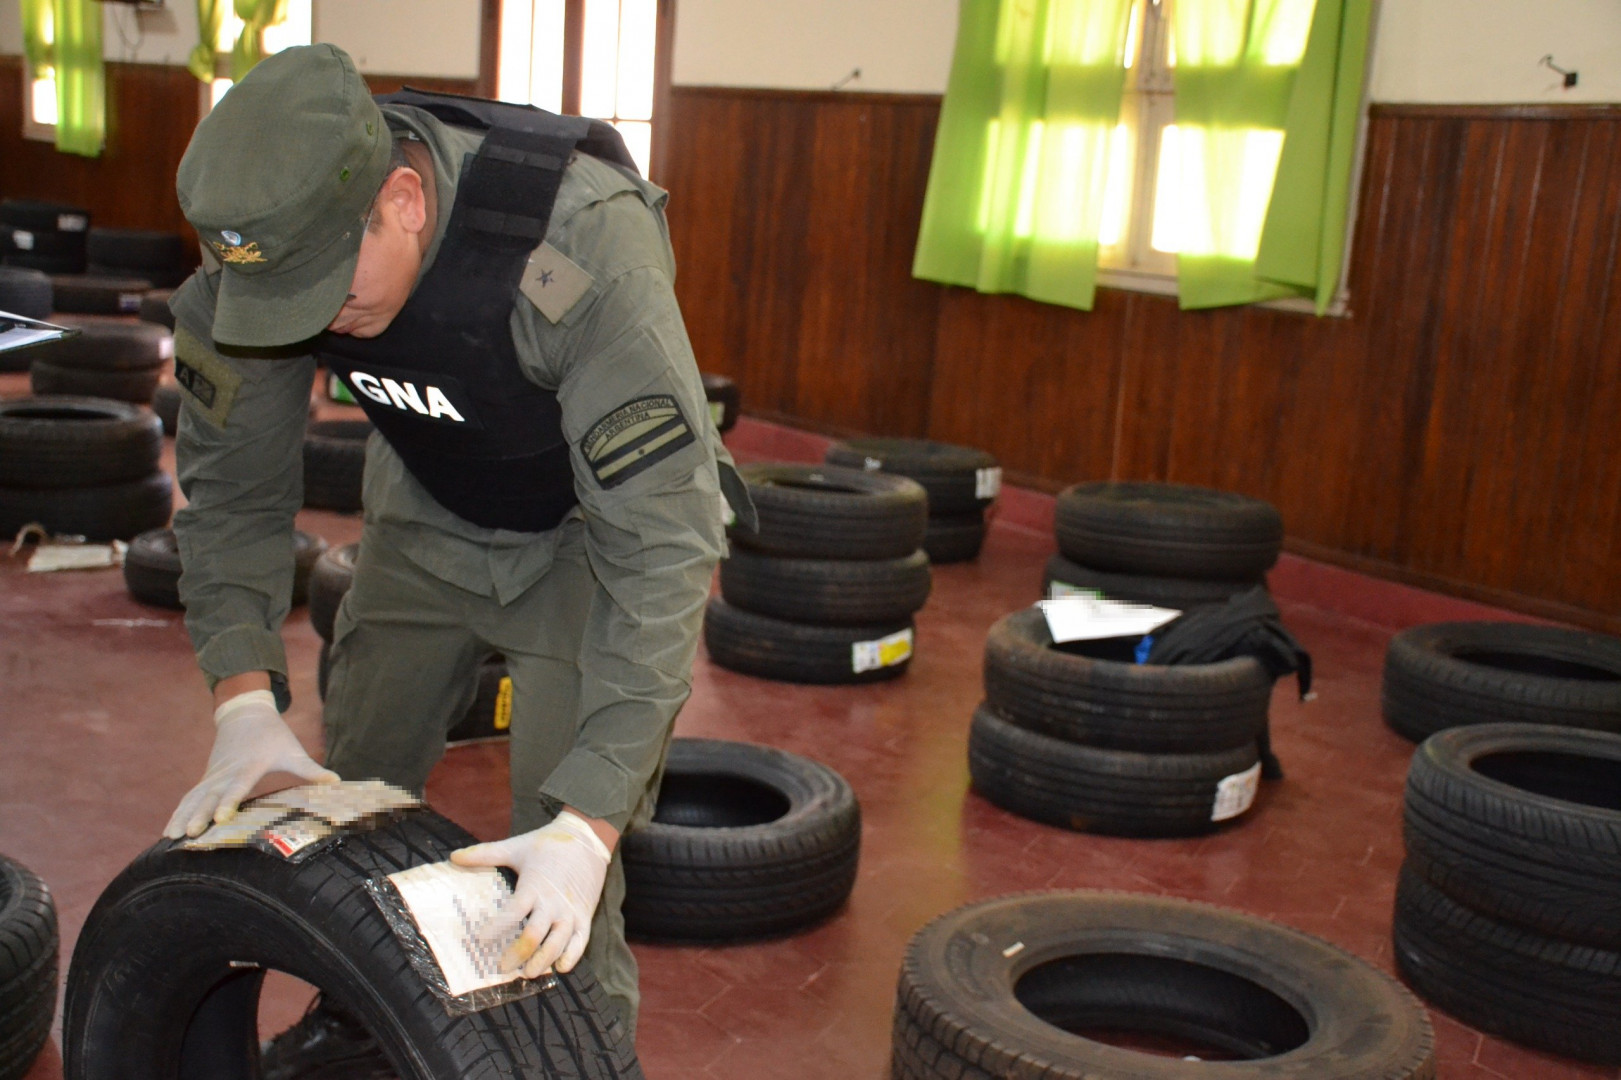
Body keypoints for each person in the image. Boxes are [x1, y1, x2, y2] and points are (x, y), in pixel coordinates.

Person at [158, 42, 749, 1065]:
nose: (313, 321)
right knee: (346, 801)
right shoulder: (257, 262)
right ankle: (360, 1023)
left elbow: (660, 541)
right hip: (426, 507)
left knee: (558, 879)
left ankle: (580, 1053)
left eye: (325, 288)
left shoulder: (575, 246)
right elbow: (233, 494)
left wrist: (589, 825)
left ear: (403, 200)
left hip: (586, 540)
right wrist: (242, 701)